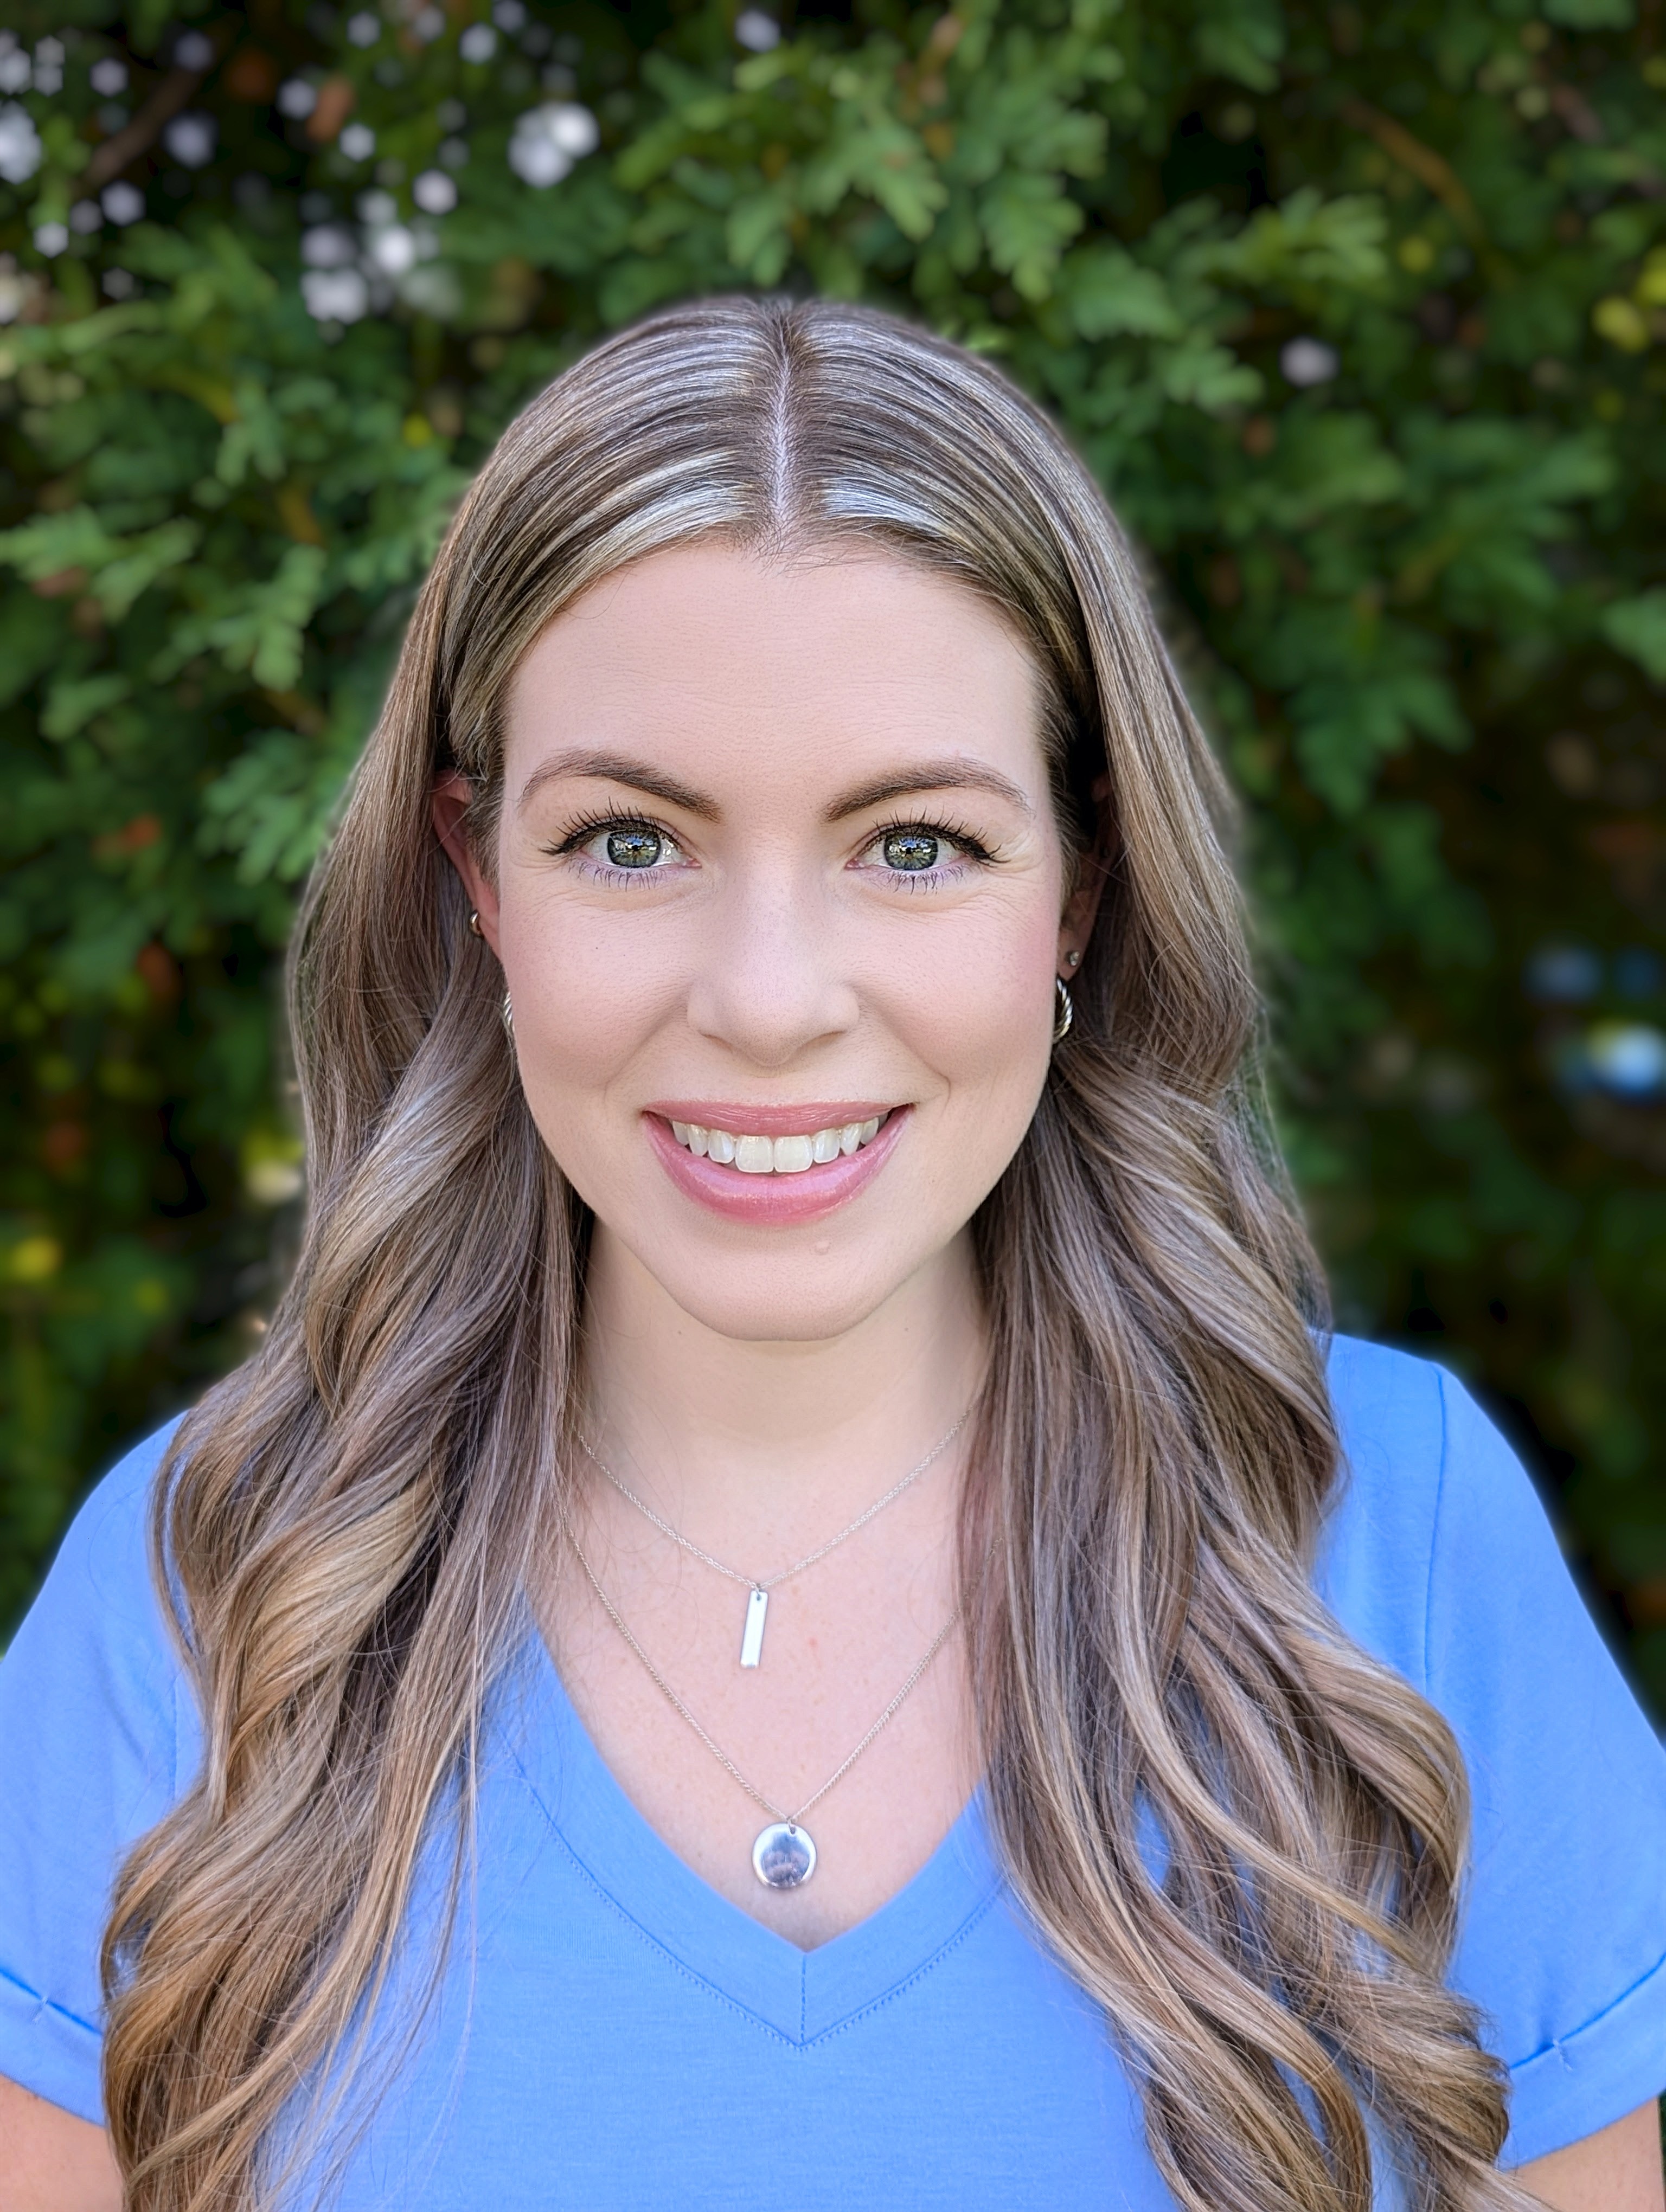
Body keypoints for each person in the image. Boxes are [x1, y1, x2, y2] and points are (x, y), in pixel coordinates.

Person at [1, 297, 1663, 2212]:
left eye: (919, 845)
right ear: (477, 884)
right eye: (631, 843)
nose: (771, 1001)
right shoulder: (208, 1598)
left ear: (1083, 888)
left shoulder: (1394, 1548)